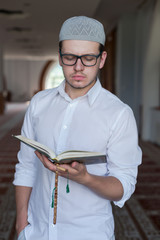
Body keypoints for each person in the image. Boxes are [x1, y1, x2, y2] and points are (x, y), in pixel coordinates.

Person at [13, 16, 142, 240]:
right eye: (70, 57)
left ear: (102, 59)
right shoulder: (39, 104)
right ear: (60, 58)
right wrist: (22, 221)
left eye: (89, 58)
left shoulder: (119, 114)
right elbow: (26, 165)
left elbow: (124, 185)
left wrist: (86, 178)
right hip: (36, 231)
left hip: (89, 234)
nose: (78, 67)